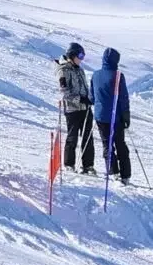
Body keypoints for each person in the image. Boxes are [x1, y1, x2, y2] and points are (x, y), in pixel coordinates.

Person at [92, 47, 133, 185]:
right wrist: (126, 115)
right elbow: (123, 98)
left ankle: (113, 171)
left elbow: (92, 97)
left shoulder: (95, 75)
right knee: (120, 144)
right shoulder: (118, 76)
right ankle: (125, 175)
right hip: (116, 118)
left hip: (100, 116)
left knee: (107, 144)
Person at [57, 42, 96, 175]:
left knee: (88, 137)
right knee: (72, 137)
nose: (81, 59)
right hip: (73, 109)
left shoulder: (79, 69)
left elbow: (84, 88)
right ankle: (69, 164)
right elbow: (64, 92)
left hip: (85, 108)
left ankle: (88, 166)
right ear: (72, 55)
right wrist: (80, 99)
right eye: (80, 55)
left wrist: (89, 98)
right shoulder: (63, 70)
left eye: (83, 56)